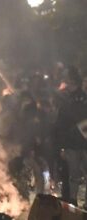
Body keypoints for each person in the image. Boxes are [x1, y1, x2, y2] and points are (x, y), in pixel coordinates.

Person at [54, 68, 87, 206]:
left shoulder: (78, 99)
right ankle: (73, 202)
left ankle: (75, 202)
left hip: (80, 143)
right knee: (74, 175)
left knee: (76, 175)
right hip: (73, 144)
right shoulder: (66, 100)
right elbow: (61, 124)